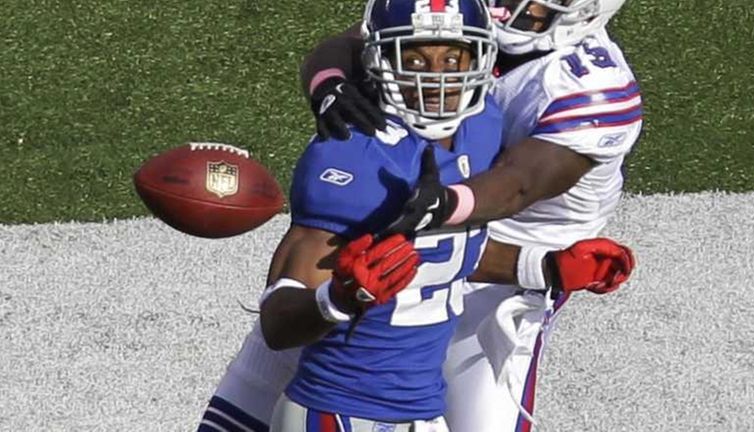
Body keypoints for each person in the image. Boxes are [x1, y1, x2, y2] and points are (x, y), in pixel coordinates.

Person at [196, 1, 635, 431]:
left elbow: (516, 186)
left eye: (451, 60)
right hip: (407, 212)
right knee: (267, 375)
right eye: (419, 60)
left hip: (506, 251)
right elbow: (354, 43)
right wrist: (328, 85)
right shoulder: (360, 159)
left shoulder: (588, 88)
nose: (437, 77)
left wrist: (542, 263)